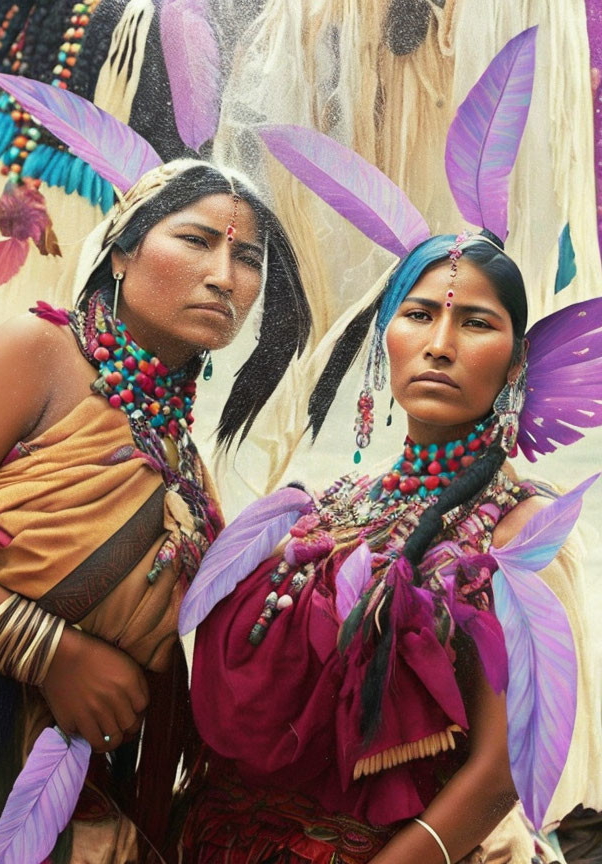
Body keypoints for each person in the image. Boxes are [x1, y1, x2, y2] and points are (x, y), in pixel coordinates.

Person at [178, 231, 601, 864]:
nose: (440, 345)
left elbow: (502, 769)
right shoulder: (334, 501)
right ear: (386, 337)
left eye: (476, 322)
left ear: (516, 363)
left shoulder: (518, 532)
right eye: (420, 315)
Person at [0, 157, 311, 863]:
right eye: (197, 240)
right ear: (122, 250)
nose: (224, 275)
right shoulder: (39, 353)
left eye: (247, 257)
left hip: (77, 794)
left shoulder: (183, 465)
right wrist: (55, 656)